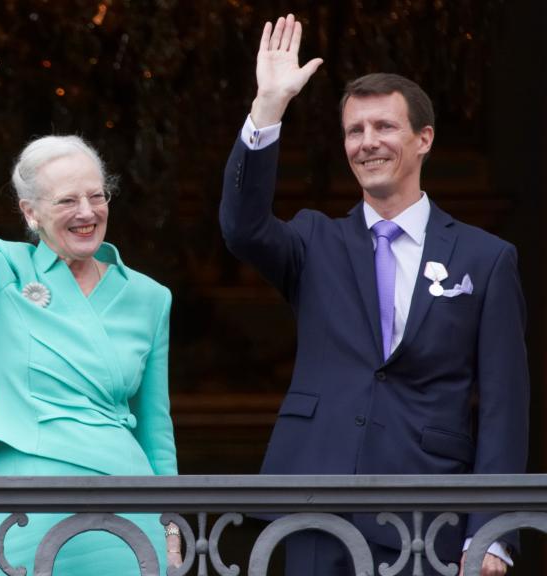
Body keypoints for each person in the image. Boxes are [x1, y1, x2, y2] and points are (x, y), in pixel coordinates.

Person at [219, 14, 528, 576]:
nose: (368, 143)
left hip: (426, 511)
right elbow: (241, 227)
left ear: (423, 139)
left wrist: (493, 534)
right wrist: (267, 109)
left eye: (384, 127)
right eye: (354, 131)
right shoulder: (315, 241)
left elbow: (506, 406)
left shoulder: (486, 259)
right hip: (316, 504)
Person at [0, 27, 180, 574]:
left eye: (96, 195)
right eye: (67, 200)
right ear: (31, 213)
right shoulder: (0, 273)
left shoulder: (150, 297)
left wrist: (173, 521)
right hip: (29, 509)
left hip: (131, 515)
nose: (87, 211)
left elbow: (156, 428)